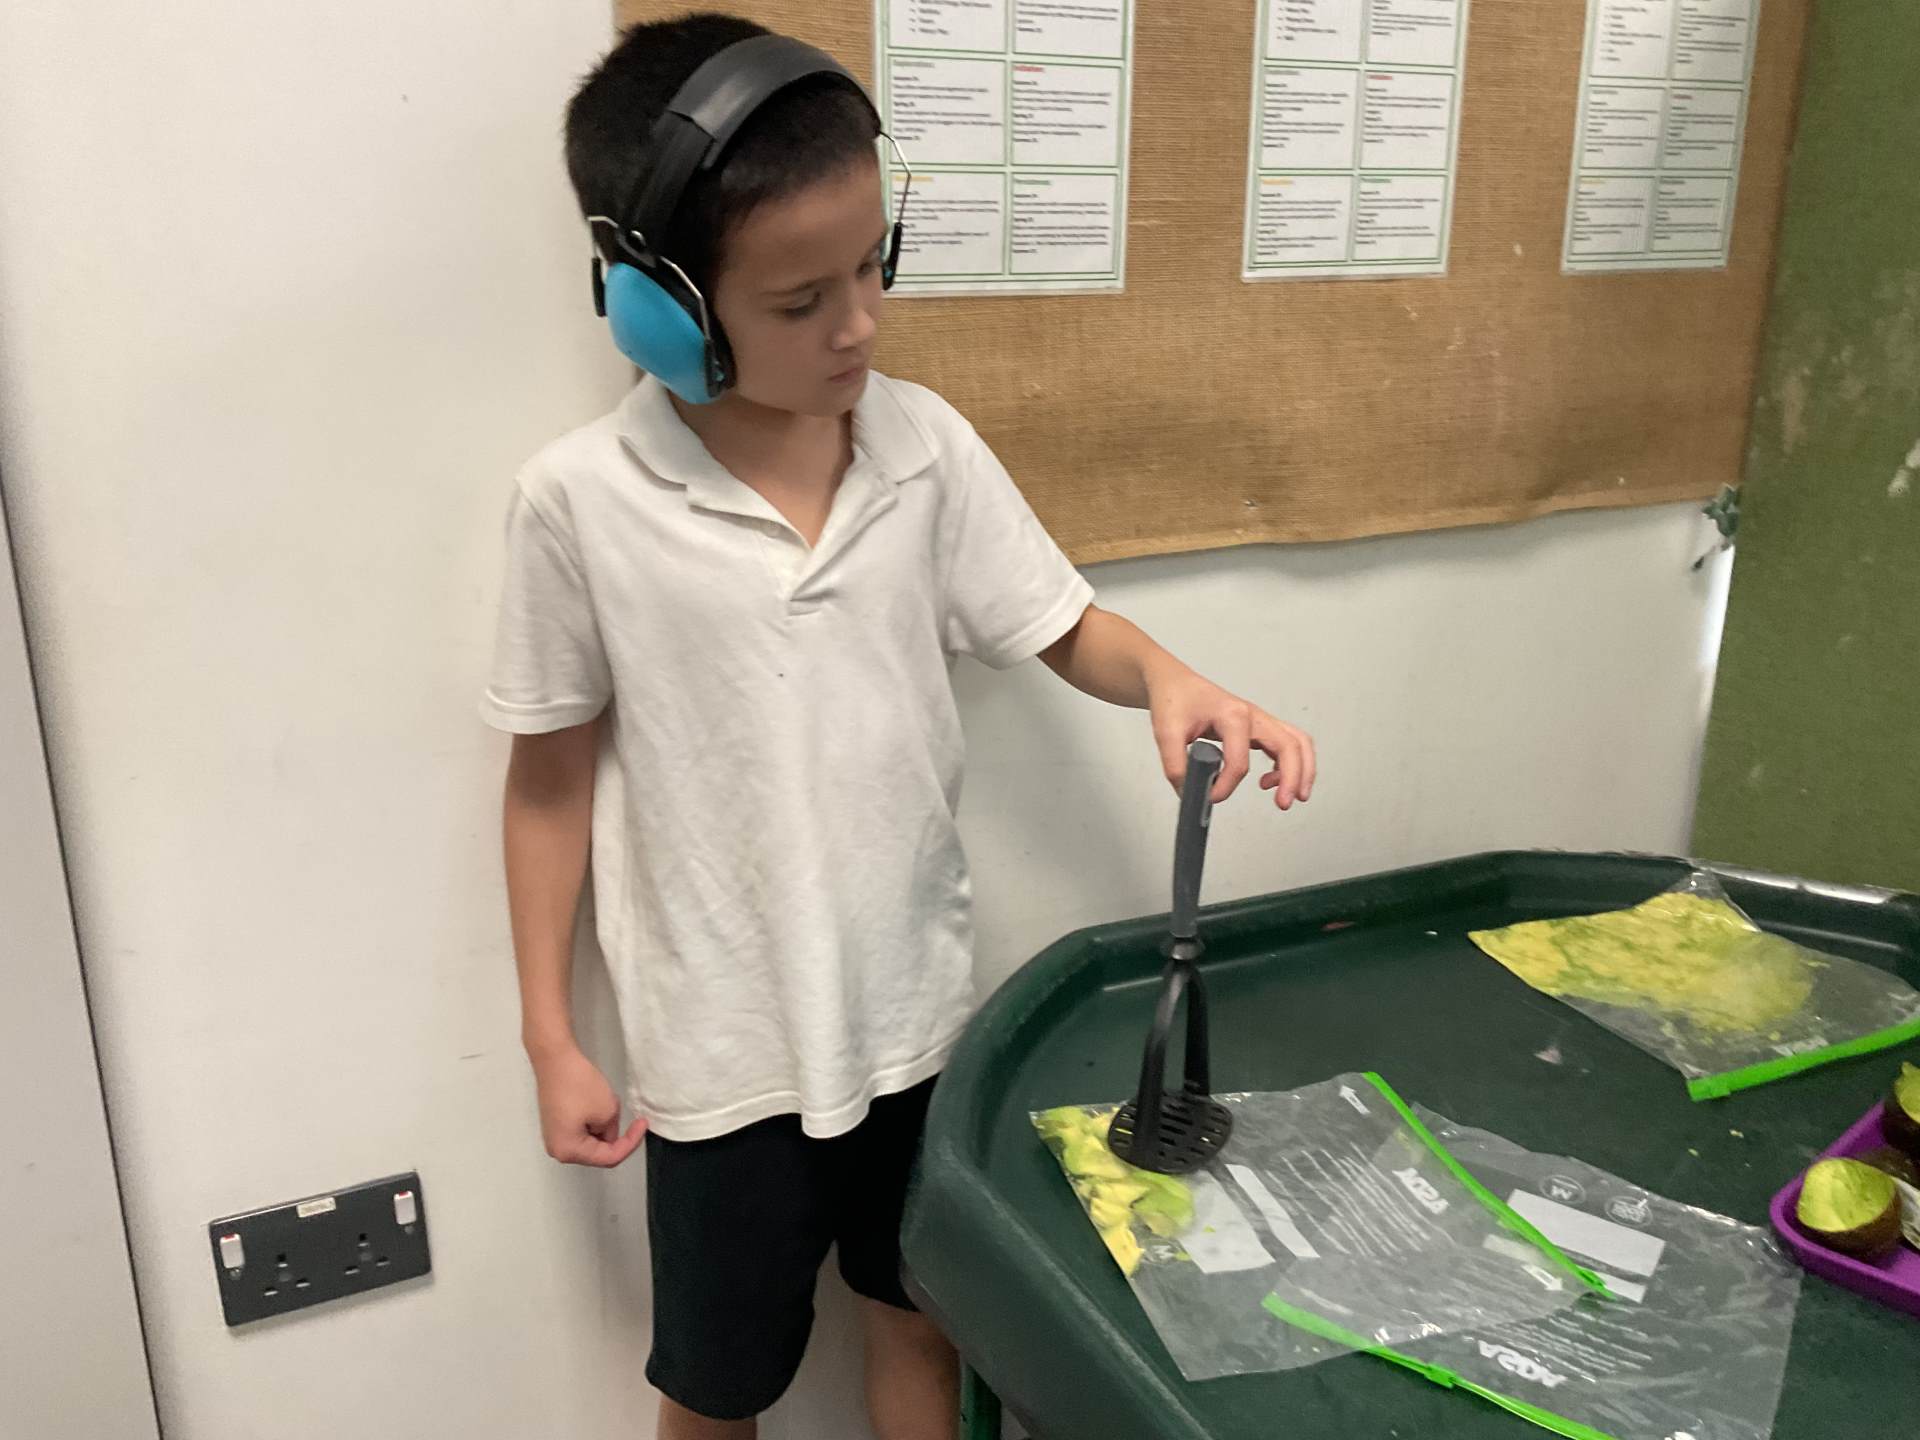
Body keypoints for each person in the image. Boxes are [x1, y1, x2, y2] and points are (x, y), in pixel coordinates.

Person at [481, 12, 1316, 1439]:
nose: (858, 323)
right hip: (722, 1061)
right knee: (715, 1388)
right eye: (800, 300)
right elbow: (548, 786)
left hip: (920, 1027)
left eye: (874, 265)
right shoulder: (580, 504)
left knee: (923, 1324)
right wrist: (551, 1037)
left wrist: (1172, 678)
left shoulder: (925, 447)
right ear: (660, 308)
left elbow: (1062, 626)